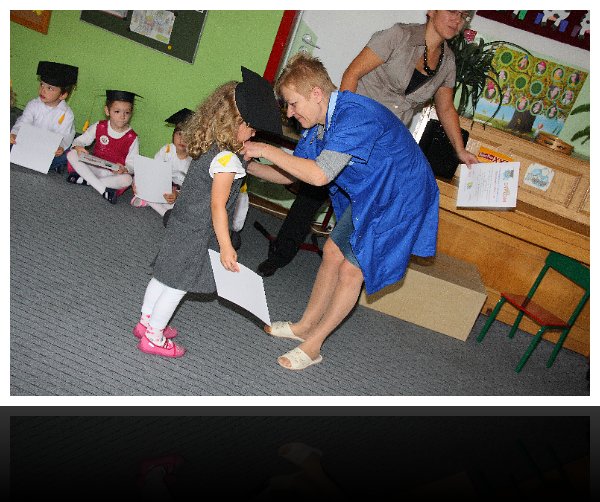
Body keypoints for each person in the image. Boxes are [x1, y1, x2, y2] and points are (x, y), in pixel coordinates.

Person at [243, 54, 440, 370]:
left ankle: (313, 346)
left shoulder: (354, 117)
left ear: (316, 94)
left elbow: (319, 175)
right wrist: (248, 166)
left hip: (402, 197)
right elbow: (291, 175)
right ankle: (305, 325)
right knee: (333, 251)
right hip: (374, 192)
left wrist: (266, 148)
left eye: (293, 104)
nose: (290, 113)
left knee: (352, 270)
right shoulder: (318, 125)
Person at [256, 10, 478, 278]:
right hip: (352, 131)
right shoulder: (399, 35)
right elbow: (353, 73)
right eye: (452, 10)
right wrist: (342, 126)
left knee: (365, 211)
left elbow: (446, 108)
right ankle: (279, 255)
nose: (457, 19)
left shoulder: (448, 63)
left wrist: (460, 150)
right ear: (432, 9)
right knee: (311, 191)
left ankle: (347, 271)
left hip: (381, 149)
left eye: (464, 15)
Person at [133, 67, 282, 357]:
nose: (253, 133)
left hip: (182, 222)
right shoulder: (228, 161)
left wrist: (287, 174)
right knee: (179, 284)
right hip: (198, 231)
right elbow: (218, 206)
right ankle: (154, 336)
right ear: (235, 123)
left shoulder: (215, 147)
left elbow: (251, 170)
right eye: (251, 127)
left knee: (164, 274)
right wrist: (226, 246)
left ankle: (145, 321)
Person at [66, 90, 140, 204]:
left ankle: (87, 180)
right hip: (93, 166)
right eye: (117, 111)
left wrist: (125, 169)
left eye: (127, 112)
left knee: (127, 179)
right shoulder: (100, 126)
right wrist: (78, 147)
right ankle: (102, 189)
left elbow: (132, 164)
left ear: (131, 113)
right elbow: (79, 141)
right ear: (107, 111)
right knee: (72, 154)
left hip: (112, 174)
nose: (122, 116)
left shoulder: (132, 137)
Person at [10, 61, 78, 173]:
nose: (43, 90)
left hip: (48, 150)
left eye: (50, 88)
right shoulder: (33, 104)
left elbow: (65, 135)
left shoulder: (67, 114)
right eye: (42, 84)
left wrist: (60, 147)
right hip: (28, 142)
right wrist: (15, 134)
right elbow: (23, 122)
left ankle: (50, 164)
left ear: (63, 95)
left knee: (69, 155)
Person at [130, 108, 194, 216]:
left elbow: (192, 186)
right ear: (173, 134)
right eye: (179, 134)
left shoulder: (194, 159)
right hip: (163, 184)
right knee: (140, 179)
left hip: (181, 191)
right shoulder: (167, 150)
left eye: (188, 136)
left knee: (185, 204)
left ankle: (153, 204)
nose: (182, 139)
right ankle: (159, 207)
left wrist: (177, 194)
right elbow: (154, 168)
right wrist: (140, 182)